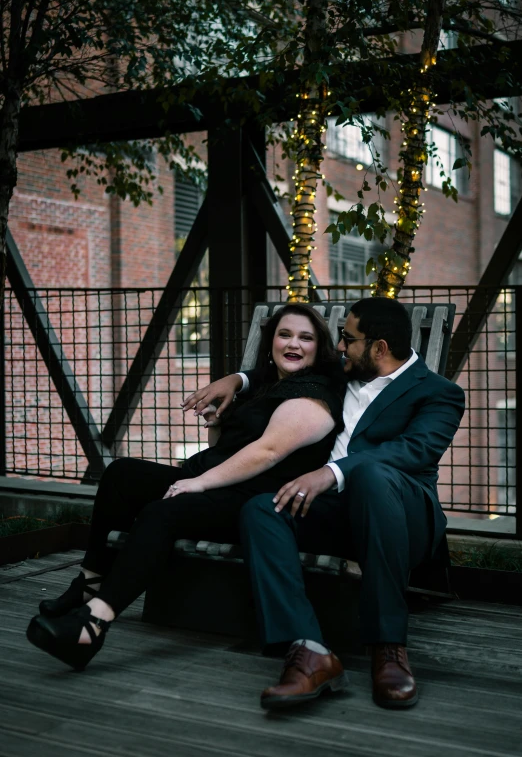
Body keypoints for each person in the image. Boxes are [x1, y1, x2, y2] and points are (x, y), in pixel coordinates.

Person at [26, 304, 348, 699]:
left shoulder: (316, 394)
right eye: (285, 334)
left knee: (163, 512)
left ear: (320, 348)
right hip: (220, 479)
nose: (293, 344)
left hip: (255, 499)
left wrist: (198, 483)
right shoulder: (265, 382)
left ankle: (92, 626)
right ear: (271, 342)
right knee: (120, 475)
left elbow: (267, 453)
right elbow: (230, 444)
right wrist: (219, 421)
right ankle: (90, 584)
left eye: (306, 337)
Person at [181, 297, 466, 710]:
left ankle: (388, 648)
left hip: (401, 519)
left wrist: (332, 472)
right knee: (263, 508)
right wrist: (236, 380)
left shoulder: (439, 394)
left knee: (370, 475)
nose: (339, 348)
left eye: (348, 339)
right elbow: (280, 369)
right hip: (334, 512)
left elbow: (412, 451)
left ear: (380, 348)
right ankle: (309, 649)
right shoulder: (342, 372)